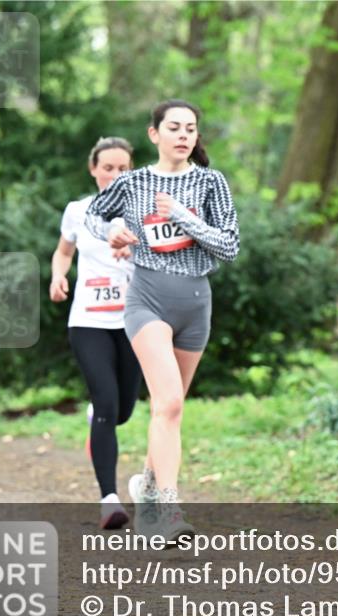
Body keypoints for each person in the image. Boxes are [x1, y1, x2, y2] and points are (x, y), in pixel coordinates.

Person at [84, 99, 239, 541]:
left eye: (191, 128)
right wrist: (109, 231)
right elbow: (94, 215)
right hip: (147, 301)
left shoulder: (211, 183)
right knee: (167, 403)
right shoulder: (133, 184)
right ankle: (168, 511)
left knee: (171, 409)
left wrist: (184, 216)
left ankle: (148, 483)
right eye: (174, 127)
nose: (184, 135)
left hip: (196, 305)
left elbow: (229, 246)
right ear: (155, 134)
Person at [49, 137, 141, 530]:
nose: (116, 175)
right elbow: (64, 252)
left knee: (122, 411)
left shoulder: (144, 212)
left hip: (136, 321)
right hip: (88, 321)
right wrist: (58, 275)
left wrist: (134, 250)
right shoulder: (78, 210)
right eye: (108, 168)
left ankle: (99, 416)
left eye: (124, 168)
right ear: (94, 169)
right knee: (105, 403)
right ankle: (110, 501)